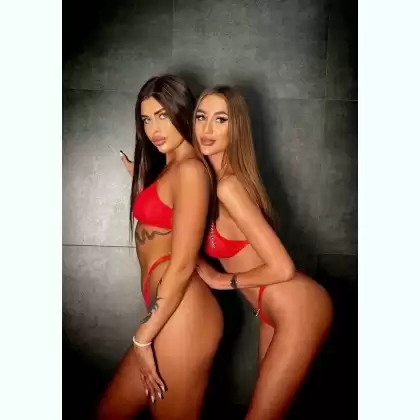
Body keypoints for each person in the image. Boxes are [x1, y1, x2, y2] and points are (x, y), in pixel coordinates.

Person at [193, 85, 333, 420]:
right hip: (269, 310)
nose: (207, 128)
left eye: (221, 119)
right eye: (201, 117)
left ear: (236, 128)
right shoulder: (208, 184)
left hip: (299, 308)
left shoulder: (229, 187)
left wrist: (221, 279)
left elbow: (283, 268)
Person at [96, 75, 223, 420]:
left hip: (182, 312)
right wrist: (141, 181)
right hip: (169, 307)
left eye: (163, 116)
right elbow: (164, 214)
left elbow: (181, 265)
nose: (154, 128)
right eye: (146, 119)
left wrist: (143, 336)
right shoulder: (173, 167)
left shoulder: (191, 170)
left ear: (183, 112)